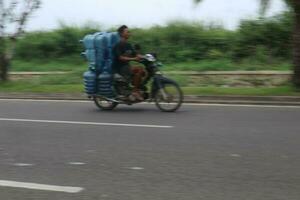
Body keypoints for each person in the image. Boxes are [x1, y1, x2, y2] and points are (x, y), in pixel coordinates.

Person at [112, 25, 145, 101]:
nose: (129, 33)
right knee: (139, 69)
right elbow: (120, 57)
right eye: (127, 32)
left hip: (126, 67)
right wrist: (134, 58)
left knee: (143, 72)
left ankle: (134, 88)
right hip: (119, 69)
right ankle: (135, 91)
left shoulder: (128, 45)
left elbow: (135, 55)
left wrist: (146, 57)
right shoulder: (118, 45)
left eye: (129, 32)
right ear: (121, 34)